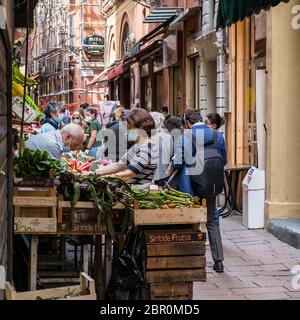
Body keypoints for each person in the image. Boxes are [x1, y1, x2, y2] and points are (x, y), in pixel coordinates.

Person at [172, 109, 227, 273]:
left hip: (190, 183)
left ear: (187, 122)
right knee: (211, 220)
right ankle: (218, 262)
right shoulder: (217, 135)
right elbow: (223, 160)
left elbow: (178, 163)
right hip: (211, 183)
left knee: (191, 220)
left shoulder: (185, 136)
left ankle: (193, 260)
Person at [91, 109, 158, 187]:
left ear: (140, 127)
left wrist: (105, 177)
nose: (127, 131)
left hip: (138, 192)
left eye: (130, 128)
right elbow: (119, 165)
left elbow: (129, 174)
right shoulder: (138, 146)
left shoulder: (147, 148)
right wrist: (95, 173)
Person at [150, 112, 173, 187]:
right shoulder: (168, 136)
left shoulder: (149, 137)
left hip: (152, 176)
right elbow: (171, 155)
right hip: (164, 174)